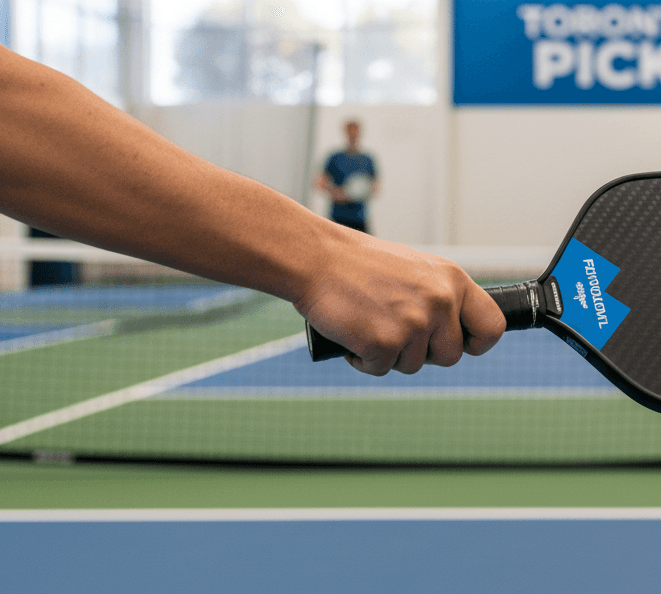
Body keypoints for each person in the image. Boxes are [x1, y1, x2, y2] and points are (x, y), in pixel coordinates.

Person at [0, 45, 503, 376]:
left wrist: (327, 260)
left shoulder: (368, 156)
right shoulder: (334, 157)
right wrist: (325, 261)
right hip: (338, 222)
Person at [317, 120, 377, 234]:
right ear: (345, 133)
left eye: (356, 132)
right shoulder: (335, 158)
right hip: (337, 217)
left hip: (359, 218)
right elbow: (320, 182)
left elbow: (375, 186)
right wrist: (337, 193)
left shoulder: (367, 160)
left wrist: (359, 193)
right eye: (351, 132)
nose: (353, 135)